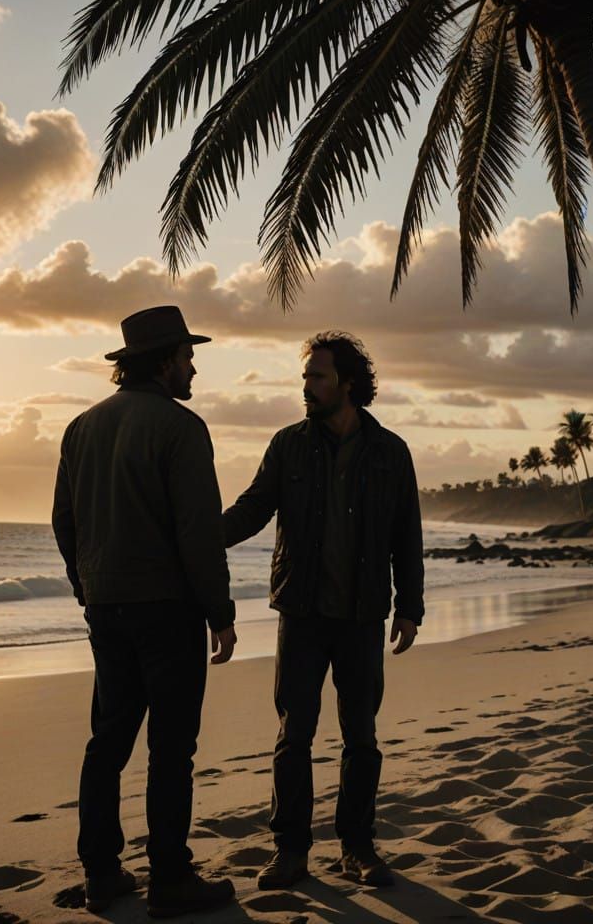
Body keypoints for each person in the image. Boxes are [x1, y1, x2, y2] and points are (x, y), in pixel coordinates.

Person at [52, 305, 237, 918]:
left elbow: (64, 521)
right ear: (163, 364)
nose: (194, 367)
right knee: (171, 748)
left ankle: (101, 873)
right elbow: (197, 533)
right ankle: (171, 878)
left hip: (107, 608)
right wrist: (219, 611)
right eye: (187, 356)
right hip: (166, 609)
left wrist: (86, 587)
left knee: (107, 742)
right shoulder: (181, 428)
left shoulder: (80, 427)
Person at [223, 331, 424, 891]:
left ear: (347, 383)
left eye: (317, 376)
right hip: (302, 613)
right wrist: (200, 537)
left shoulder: (390, 452)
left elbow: (407, 534)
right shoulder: (288, 444)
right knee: (294, 736)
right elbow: (253, 508)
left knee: (361, 737)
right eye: (305, 377)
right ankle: (290, 852)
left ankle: (357, 848)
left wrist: (410, 607)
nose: (306, 387)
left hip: (363, 615)